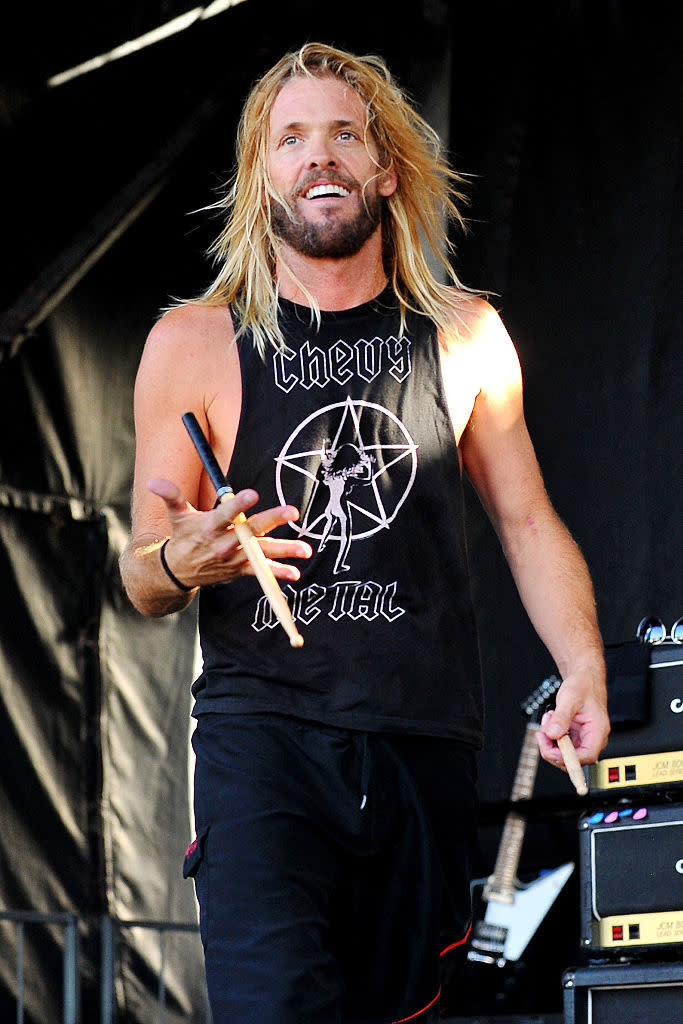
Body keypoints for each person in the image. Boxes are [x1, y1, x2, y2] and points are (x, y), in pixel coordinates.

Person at [120, 42, 610, 1024]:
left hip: (421, 742)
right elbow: (143, 571)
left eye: (343, 133)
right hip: (264, 742)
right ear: (263, 176)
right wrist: (188, 555)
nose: (319, 156)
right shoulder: (193, 341)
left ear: (385, 168)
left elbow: (524, 520)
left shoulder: (465, 333)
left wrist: (584, 667)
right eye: (290, 138)